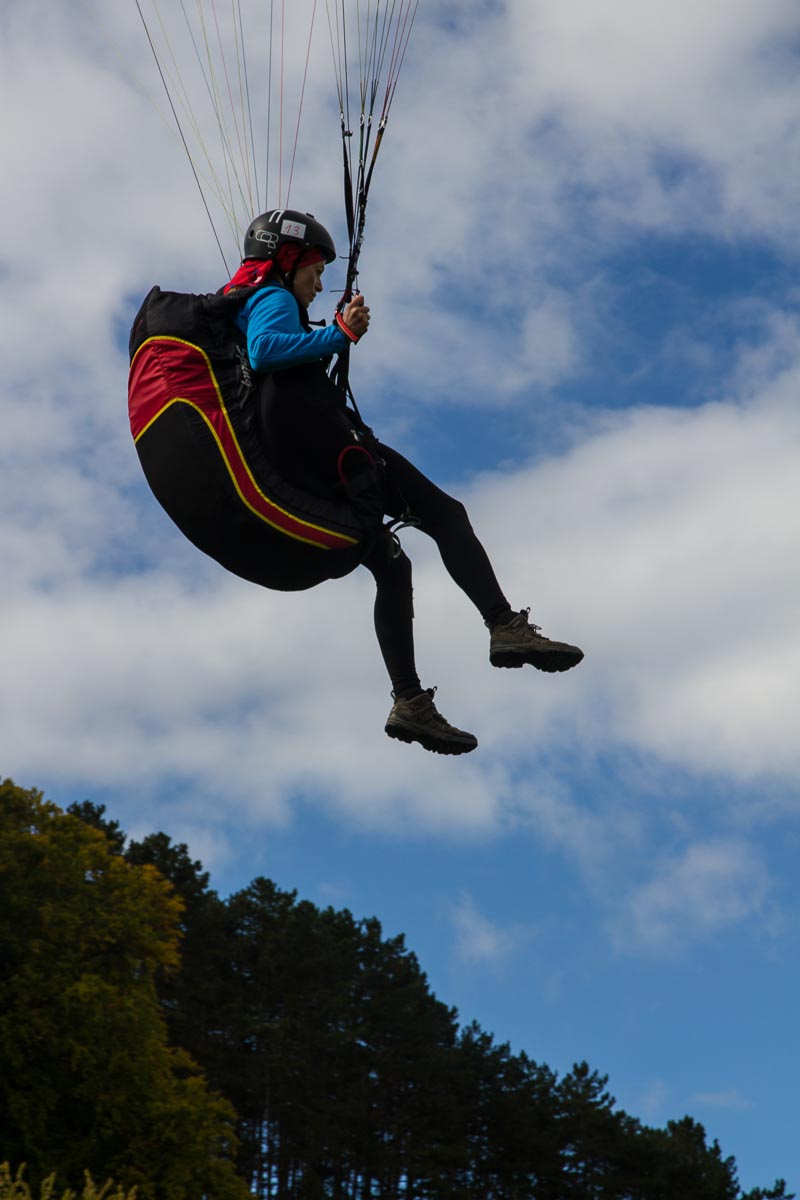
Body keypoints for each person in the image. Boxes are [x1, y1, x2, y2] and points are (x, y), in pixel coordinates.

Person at [224, 209, 584, 756]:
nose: (318, 285)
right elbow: (266, 350)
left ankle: (410, 701)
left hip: (302, 466)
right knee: (447, 514)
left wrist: (330, 335)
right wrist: (340, 334)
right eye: (315, 272)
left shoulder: (249, 302)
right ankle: (503, 626)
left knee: (393, 567)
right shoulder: (272, 297)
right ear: (287, 261)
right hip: (333, 455)